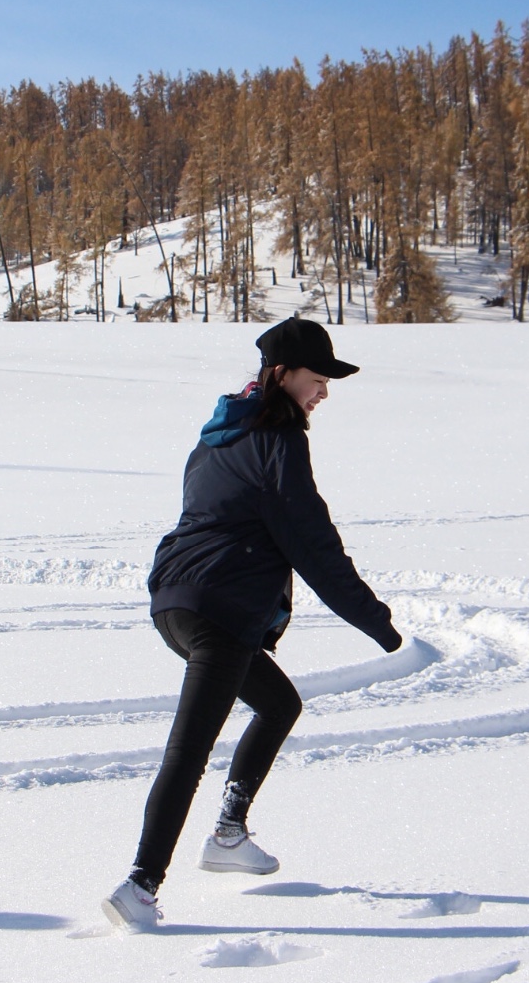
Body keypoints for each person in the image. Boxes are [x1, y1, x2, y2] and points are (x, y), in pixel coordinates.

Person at [103, 317, 401, 930]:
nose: (323, 393)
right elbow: (312, 542)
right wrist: (378, 623)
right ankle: (140, 886)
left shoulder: (216, 435)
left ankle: (229, 835)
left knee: (279, 703)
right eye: (317, 379)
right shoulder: (279, 439)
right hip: (222, 608)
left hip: (176, 602)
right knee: (188, 751)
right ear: (282, 375)